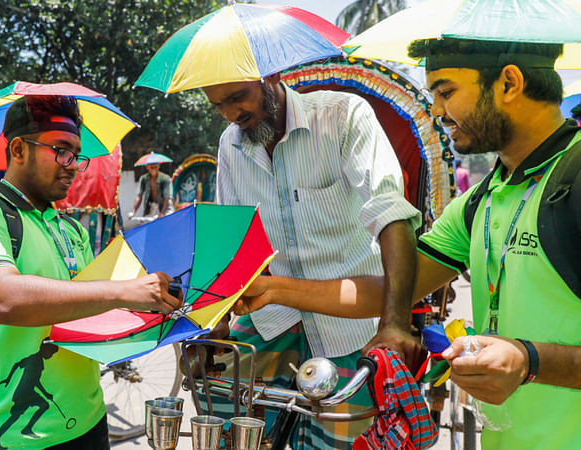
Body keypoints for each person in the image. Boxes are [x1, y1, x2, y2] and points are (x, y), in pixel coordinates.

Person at [236, 39, 581, 449]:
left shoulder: (571, 182)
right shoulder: (482, 199)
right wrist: (275, 290)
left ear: (509, 83)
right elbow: (393, 291)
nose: (436, 111)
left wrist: (529, 361)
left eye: (446, 91)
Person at [0, 95, 181, 449]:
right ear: (18, 150)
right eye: (62, 151)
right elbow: (2, 299)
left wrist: (162, 307)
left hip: (90, 423)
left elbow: (87, 313)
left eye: (77, 155)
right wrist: (122, 291)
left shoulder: (72, 229)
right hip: (5, 438)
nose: (73, 166)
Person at [203, 72, 423, 448]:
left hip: (350, 318)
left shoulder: (343, 116)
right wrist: (213, 321)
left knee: (336, 442)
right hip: (273, 314)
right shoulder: (230, 144)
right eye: (218, 105)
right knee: (227, 424)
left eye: (238, 97)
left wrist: (396, 324)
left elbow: (392, 215)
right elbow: (232, 237)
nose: (230, 114)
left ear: (270, 76)